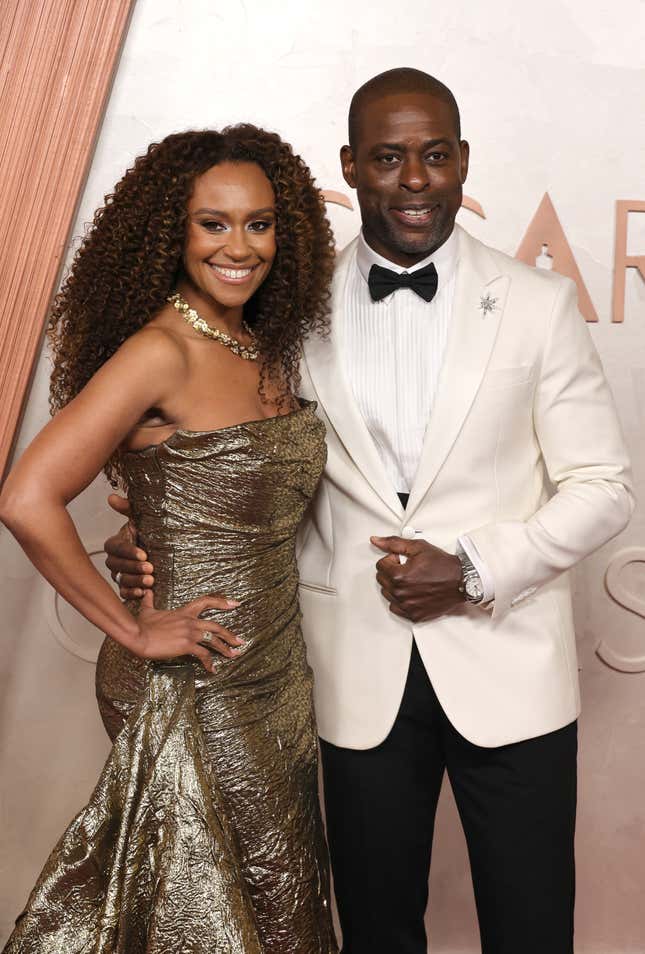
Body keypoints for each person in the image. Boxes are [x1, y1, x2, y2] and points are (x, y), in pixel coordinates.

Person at [108, 69, 635, 954]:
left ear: (463, 161)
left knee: (534, 925)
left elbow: (604, 486)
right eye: (388, 158)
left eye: (434, 156)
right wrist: (150, 535)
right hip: (351, 672)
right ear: (350, 167)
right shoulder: (282, 312)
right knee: (377, 929)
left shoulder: (538, 308)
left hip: (511, 667)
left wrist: (472, 565)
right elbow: (238, 466)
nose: (415, 179)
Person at [0, 126, 338, 954]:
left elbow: (211, 490)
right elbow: (27, 496)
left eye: (258, 224)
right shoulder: (160, 351)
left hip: (273, 677)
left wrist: (142, 523)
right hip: (189, 677)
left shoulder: (261, 344)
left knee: (274, 901)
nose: (239, 247)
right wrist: (132, 626)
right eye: (212, 223)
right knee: (213, 917)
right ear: (171, 232)